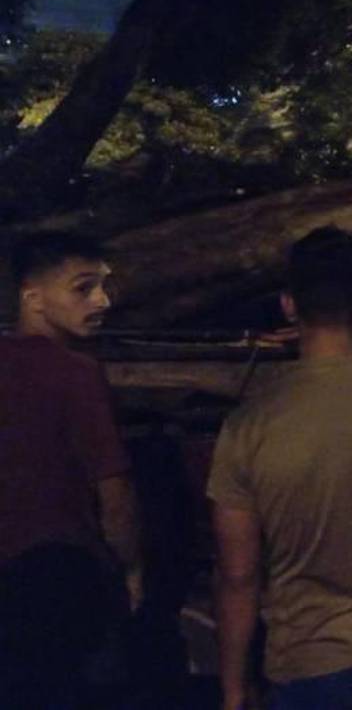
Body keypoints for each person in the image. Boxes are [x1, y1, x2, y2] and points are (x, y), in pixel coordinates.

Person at [207, 226, 352, 710]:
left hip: (309, 665)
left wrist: (232, 688)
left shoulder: (249, 425)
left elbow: (238, 574)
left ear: (289, 305)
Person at [0, 231, 142, 708]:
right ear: (33, 298)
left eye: (103, 286)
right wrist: (130, 568)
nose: (102, 300)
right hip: (57, 571)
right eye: (82, 288)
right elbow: (113, 487)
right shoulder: (75, 374)